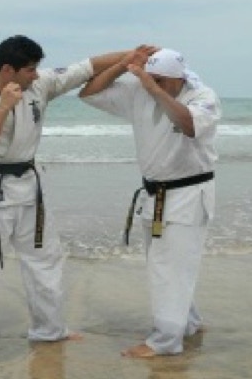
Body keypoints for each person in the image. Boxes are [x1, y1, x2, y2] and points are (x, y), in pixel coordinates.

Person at [0, 35, 146, 364]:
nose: (36, 75)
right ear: (8, 70)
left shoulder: (39, 84)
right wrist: (4, 107)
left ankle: (49, 331)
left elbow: (87, 67)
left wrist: (133, 55)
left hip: (29, 184)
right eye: (30, 70)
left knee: (46, 260)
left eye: (37, 69)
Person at [79, 47, 221, 358]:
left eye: (159, 79)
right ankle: (189, 322)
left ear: (177, 79)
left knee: (170, 268)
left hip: (188, 194)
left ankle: (165, 341)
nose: (149, 82)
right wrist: (122, 65)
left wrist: (152, 85)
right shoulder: (139, 90)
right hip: (153, 193)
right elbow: (88, 93)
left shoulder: (202, 96)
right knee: (166, 264)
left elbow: (188, 125)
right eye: (149, 76)